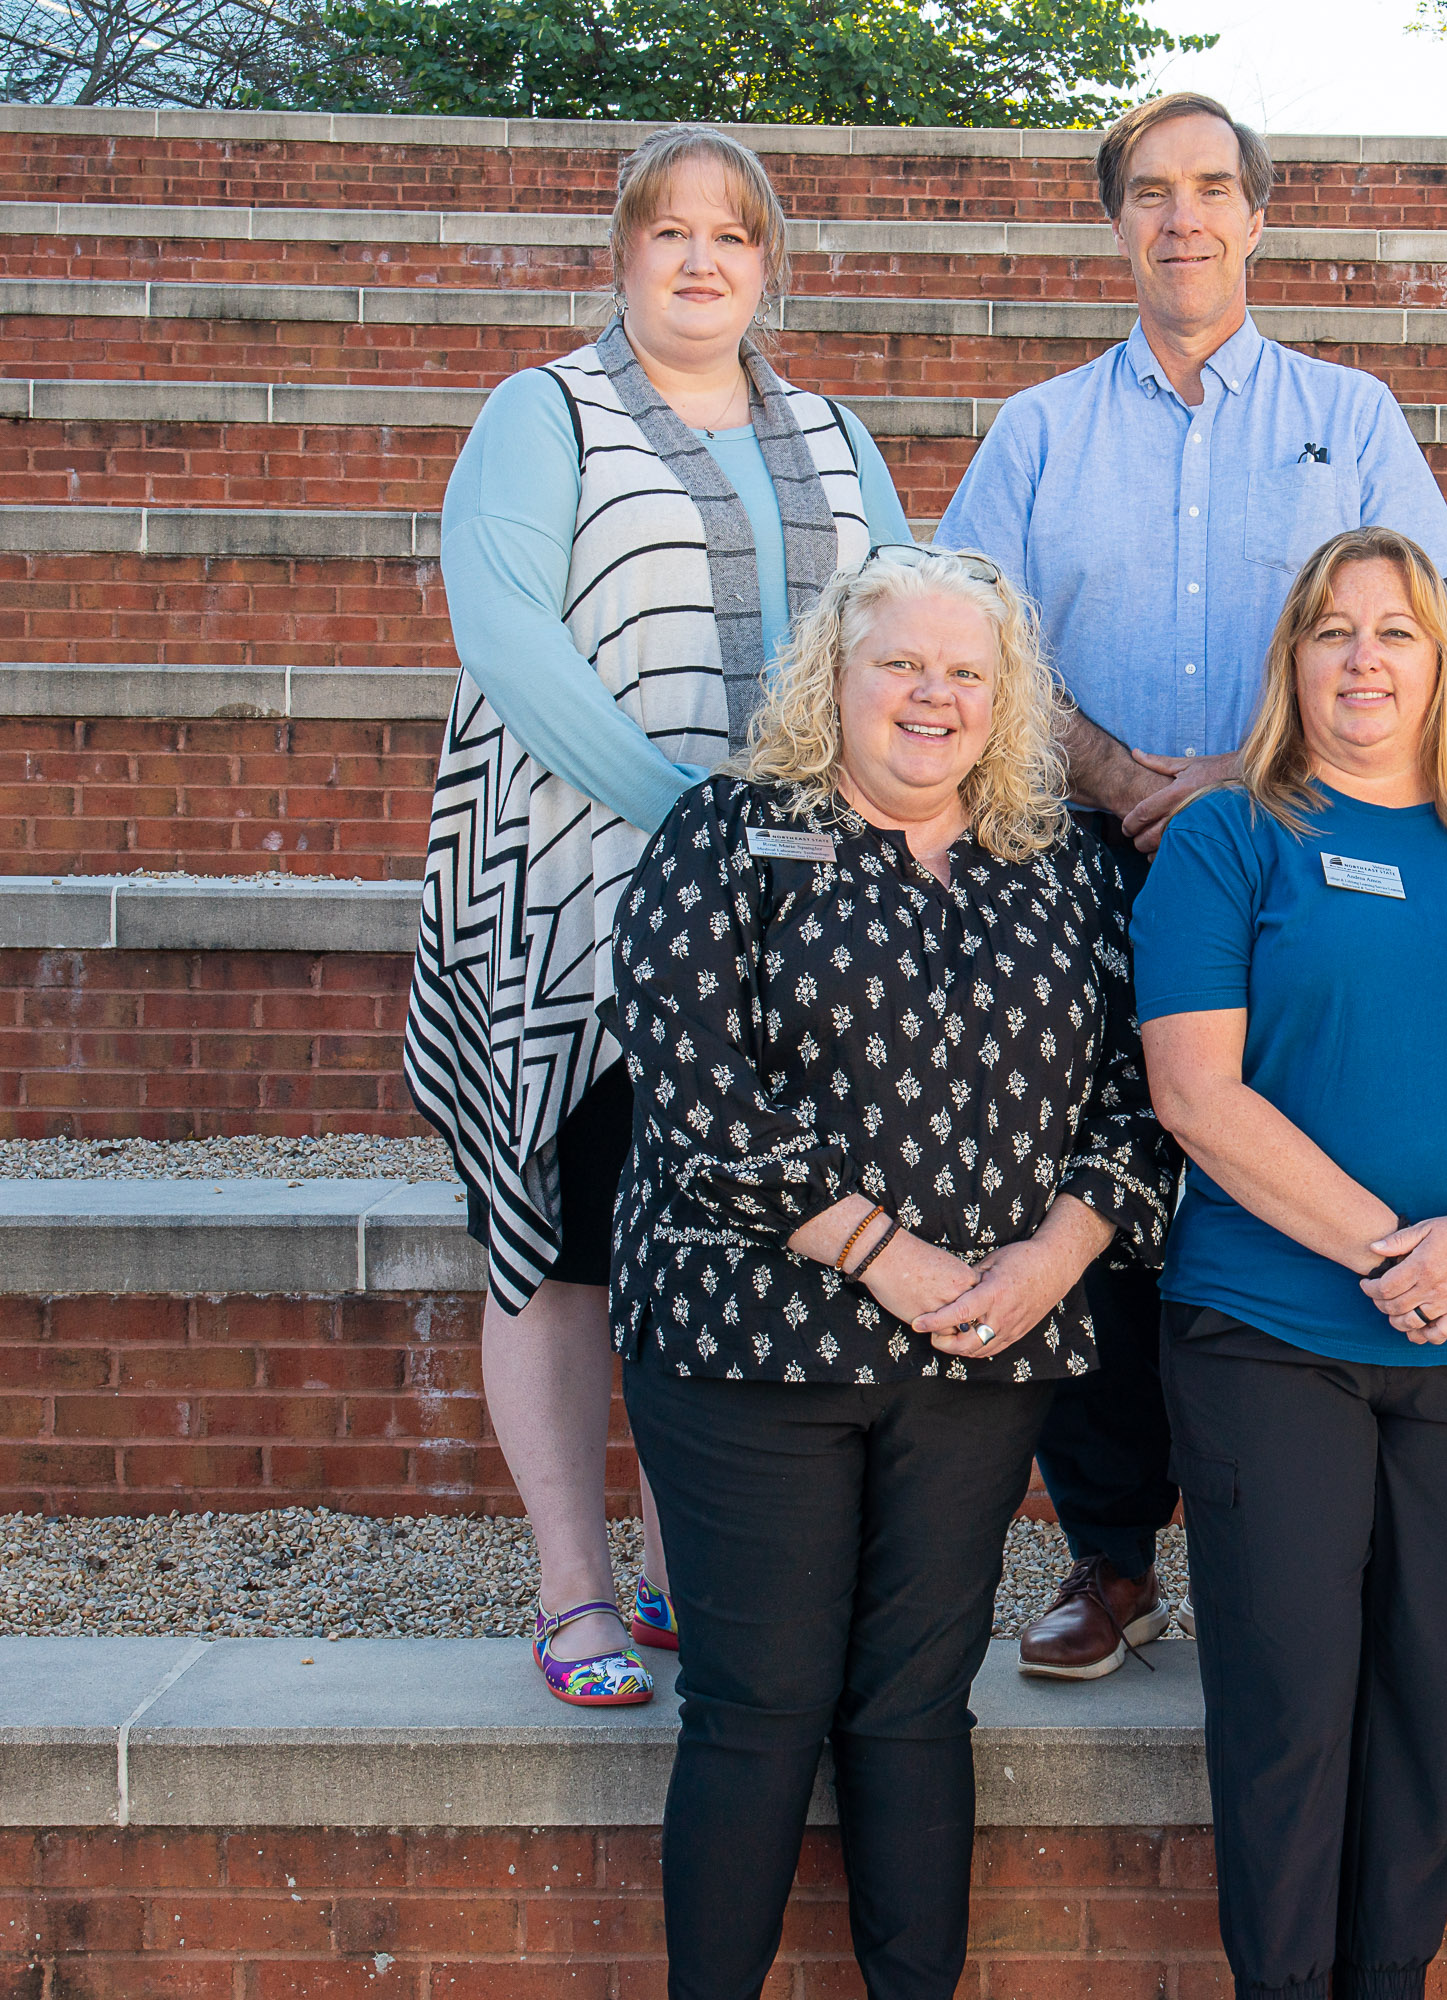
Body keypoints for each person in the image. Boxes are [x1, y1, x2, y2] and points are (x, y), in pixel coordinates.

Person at [937, 90, 1447, 1681]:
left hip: (1296, 848)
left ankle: (1269, 1538)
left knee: (1267, 1163)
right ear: (1117, 224)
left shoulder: (1351, 416)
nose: (1184, 218)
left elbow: (1416, 635)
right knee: (1081, 1183)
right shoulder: (1038, 431)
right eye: (1151, 192)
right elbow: (976, 641)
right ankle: (1108, 1557)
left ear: (1259, 218)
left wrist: (1234, 780)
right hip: (1073, 854)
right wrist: (1120, 779)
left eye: (1213, 190)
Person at [607, 547, 1171, 1999]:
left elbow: (1135, 1095)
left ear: (1006, 703)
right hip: (753, 1345)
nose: (933, 694)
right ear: (835, 680)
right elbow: (689, 1079)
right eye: (901, 665)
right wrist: (884, 1253)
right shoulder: (729, 830)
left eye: (965, 673)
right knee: (761, 1703)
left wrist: (1057, 1255)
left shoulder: (1059, 864)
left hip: (983, 1355)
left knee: (917, 1708)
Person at [402, 125, 913, 1705]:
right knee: (558, 1246)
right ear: (620, 254)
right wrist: (686, 809)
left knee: (733, 1231)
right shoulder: (539, 413)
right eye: (668, 230)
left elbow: (899, 632)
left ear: (770, 266)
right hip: (569, 903)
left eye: (734, 235)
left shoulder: (834, 432)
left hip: (792, 921)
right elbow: (505, 629)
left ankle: (681, 1566)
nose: (701, 259)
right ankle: (570, 1590)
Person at [1135, 527, 1447, 1999]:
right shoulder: (1229, 838)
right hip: (1271, 1335)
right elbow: (1194, 1094)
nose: (1362, 659)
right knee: (1287, 1707)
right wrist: (1392, 1251)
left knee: (1430, 1705)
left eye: (1395, 632)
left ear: (1440, 661)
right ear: (1291, 658)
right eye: (1332, 631)